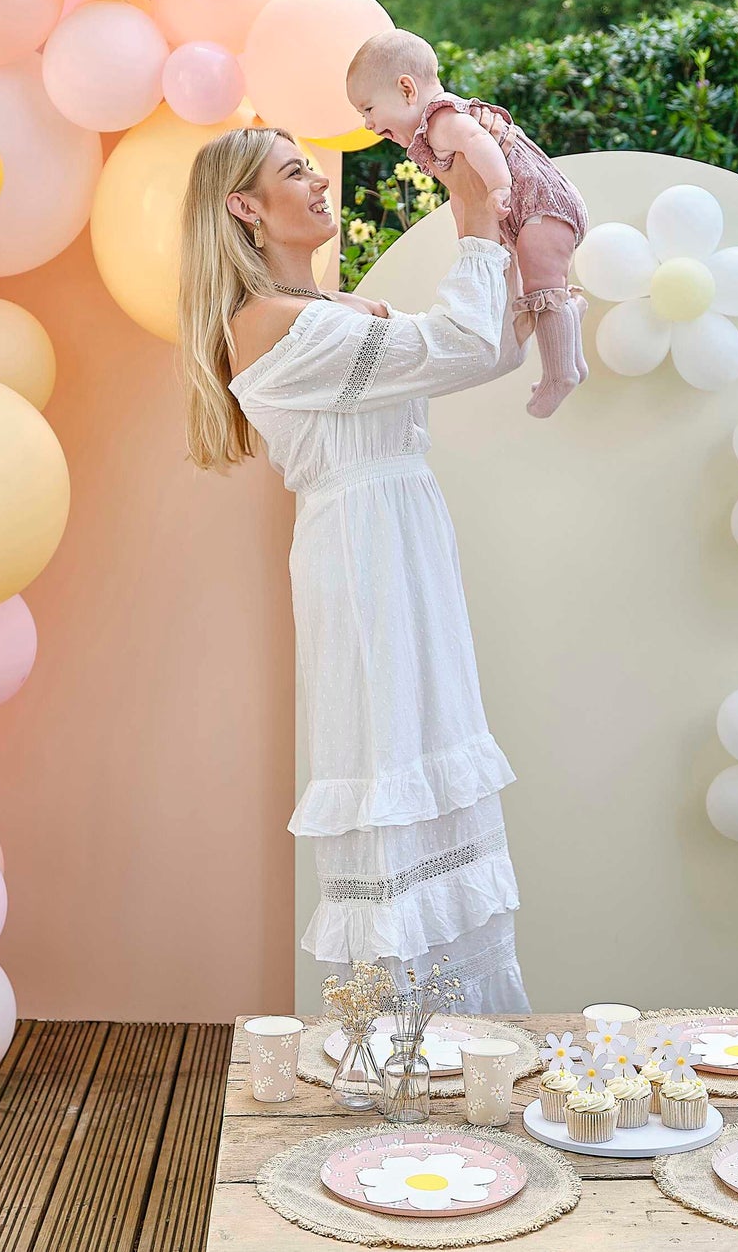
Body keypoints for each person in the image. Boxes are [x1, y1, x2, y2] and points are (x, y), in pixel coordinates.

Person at [177, 122, 532, 1011]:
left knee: (426, 743)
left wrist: (533, 266)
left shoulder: (327, 316)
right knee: (386, 751)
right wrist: (471, 213)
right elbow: (454, 342)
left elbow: (484, 347)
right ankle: (402, 1042)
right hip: (364, 559)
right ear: (245, 208)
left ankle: (459, 1039)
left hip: (404, 543)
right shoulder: (270, 325)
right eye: (295, 172)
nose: (319, 183)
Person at [347, 27, 590, 419]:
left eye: (369, 109)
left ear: (407, 89)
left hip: (541, 206)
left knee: (542, 285)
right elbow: (461, 198)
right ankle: (570, 349)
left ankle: (558, 375)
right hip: (529, 213)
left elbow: (481, 143)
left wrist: (497, 186)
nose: (368, 125)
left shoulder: (441, 119)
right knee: (540, 287)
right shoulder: (432, 134)